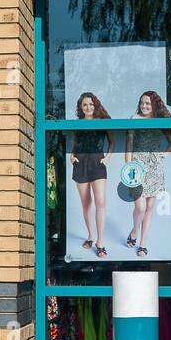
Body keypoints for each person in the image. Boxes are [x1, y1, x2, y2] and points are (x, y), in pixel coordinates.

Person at [124, 90, 171, 258]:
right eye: (142, 102)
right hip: (137, 166)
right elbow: (129, 146)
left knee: (150, 208)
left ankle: (143, 244)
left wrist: (164, 154)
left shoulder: (160, 121)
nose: (144, 106)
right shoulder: (134, 119)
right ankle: (134, 231)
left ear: (154, 105)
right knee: (140, 206)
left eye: (147, 103)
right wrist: (128, 168)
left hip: (155, 167)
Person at [70, 92, 113, 258]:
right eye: (85, 105)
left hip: (97, 161)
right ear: (81, 108)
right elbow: (76, 143)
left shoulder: (103, 122)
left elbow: (112, 141)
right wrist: (72, 155)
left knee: (100, 201)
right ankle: (90, 236)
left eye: (91, 104)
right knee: (86, 202)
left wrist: (107, 157)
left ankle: (100, 242)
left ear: (95, 105)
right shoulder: (78, 123)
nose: (88, 107)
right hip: (80, 162)